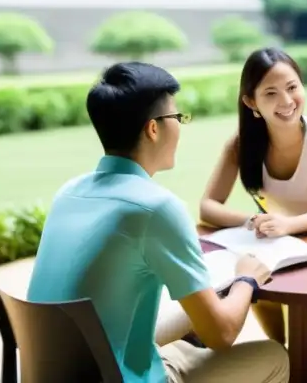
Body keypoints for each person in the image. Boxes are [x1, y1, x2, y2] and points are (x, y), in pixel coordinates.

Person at [27, 62, 289, 383]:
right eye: (177, 118)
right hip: (117, 376)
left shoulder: (69, 193)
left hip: (66, 368)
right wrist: (246, 281)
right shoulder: (156, 208)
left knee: (197, 314)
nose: (180, 127)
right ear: (153, 129)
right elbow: (222, 334)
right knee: (275, 356)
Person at [199, 46, 307, 344]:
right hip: (277, 245)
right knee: (256, 278)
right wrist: (252, 219)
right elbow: (208, 206)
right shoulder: (241, 145)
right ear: (251, 101)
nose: (286, 101)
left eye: (292, 87)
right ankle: (281, 355)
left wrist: (286, 224)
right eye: (271, 93)